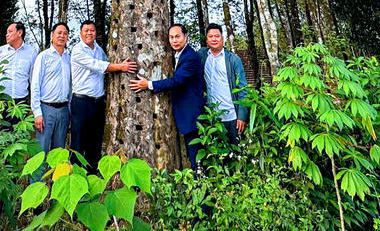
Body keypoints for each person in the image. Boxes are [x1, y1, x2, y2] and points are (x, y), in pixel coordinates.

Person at [129, 23, 206, 171]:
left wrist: (149, 85)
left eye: (177, 36)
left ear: (186, 37)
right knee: (192, 156)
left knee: (196, 157)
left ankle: (202, 189)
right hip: (186, 114)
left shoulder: (190, 57)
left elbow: (177, 81)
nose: (174, 40)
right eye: (171, 37)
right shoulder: (179, 55)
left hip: (192, 115)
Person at [70, 20, 136, 170]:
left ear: (95, 33)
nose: (89, 33)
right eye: (86, 30)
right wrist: (121, 66)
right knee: (79, 141)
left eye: (92, 30)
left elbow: (107, 62)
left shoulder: (98, 50)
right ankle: (75, 175)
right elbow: (98, 65)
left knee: (95, 140)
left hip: (98, 103)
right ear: (81, 33)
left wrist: (119, 64)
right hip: (81, 102)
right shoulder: (77, 50)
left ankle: (92, 175)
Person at [201, 23, 248, 144]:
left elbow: (243, 88)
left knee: (237, 155)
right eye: (210, 36)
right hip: (213, 118)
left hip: (232, 116)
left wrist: (242, 116)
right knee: (217, 157)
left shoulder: (233, 59)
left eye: (217, 36)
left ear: (222, 38)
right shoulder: (202, 56)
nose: (214, 39)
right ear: (206, 39)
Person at [30, 22, 72, 156]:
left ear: (68, 38)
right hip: (46, 109)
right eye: (59, 33)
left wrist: (70, 111)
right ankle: (36, 178)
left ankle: (57, 178)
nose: (62, 36)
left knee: (58, 153)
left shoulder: (69, 59)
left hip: (64, 110)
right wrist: (37, 113)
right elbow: (35, 84)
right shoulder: (43, 56)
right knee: (40, 151)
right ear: (52, 36)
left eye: (65, 33)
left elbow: (71, 87)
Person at [0, 21, 38, 104]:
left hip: (21, 101)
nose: (7, 35)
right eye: (6, 32)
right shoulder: (0, 51)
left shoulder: (31, 52)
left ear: (19, 33)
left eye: (10, 31)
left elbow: (34, 79)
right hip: (1, 101)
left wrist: (33, 104)